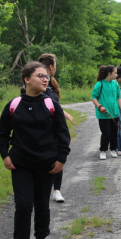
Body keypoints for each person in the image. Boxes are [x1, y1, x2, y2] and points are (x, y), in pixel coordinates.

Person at [0, 61, 70, 239]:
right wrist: (5, 155)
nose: (46, 79)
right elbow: (2, 134)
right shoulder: (13, 105)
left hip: (46, 164)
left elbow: (63, 135)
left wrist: (61, 160)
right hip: (20, 164)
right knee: (22, 204)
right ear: (27, 79)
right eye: (40, 75)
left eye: (47, 76)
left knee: (41, 204)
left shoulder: (50, 104)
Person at [39, 53, 74, 203]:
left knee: (58, 156)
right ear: (51, 66)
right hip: (42, 129)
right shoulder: (38, 83)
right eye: (55, 66)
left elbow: (55, 104)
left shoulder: (51, 83)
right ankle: (42, 189)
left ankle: (57, 190)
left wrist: (64, 114)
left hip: (56, 128)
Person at [91, 65, 121, 160]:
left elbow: (118, 98)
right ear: (109, 73)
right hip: (103, 114)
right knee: (106, 133)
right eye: (115, 72)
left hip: (114, 113)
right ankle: (103, 150)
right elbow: (93, 97)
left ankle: (113, 149)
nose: (117, 74)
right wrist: (99, 106)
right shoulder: (100, 84)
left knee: (114, 132)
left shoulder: (116, 84)